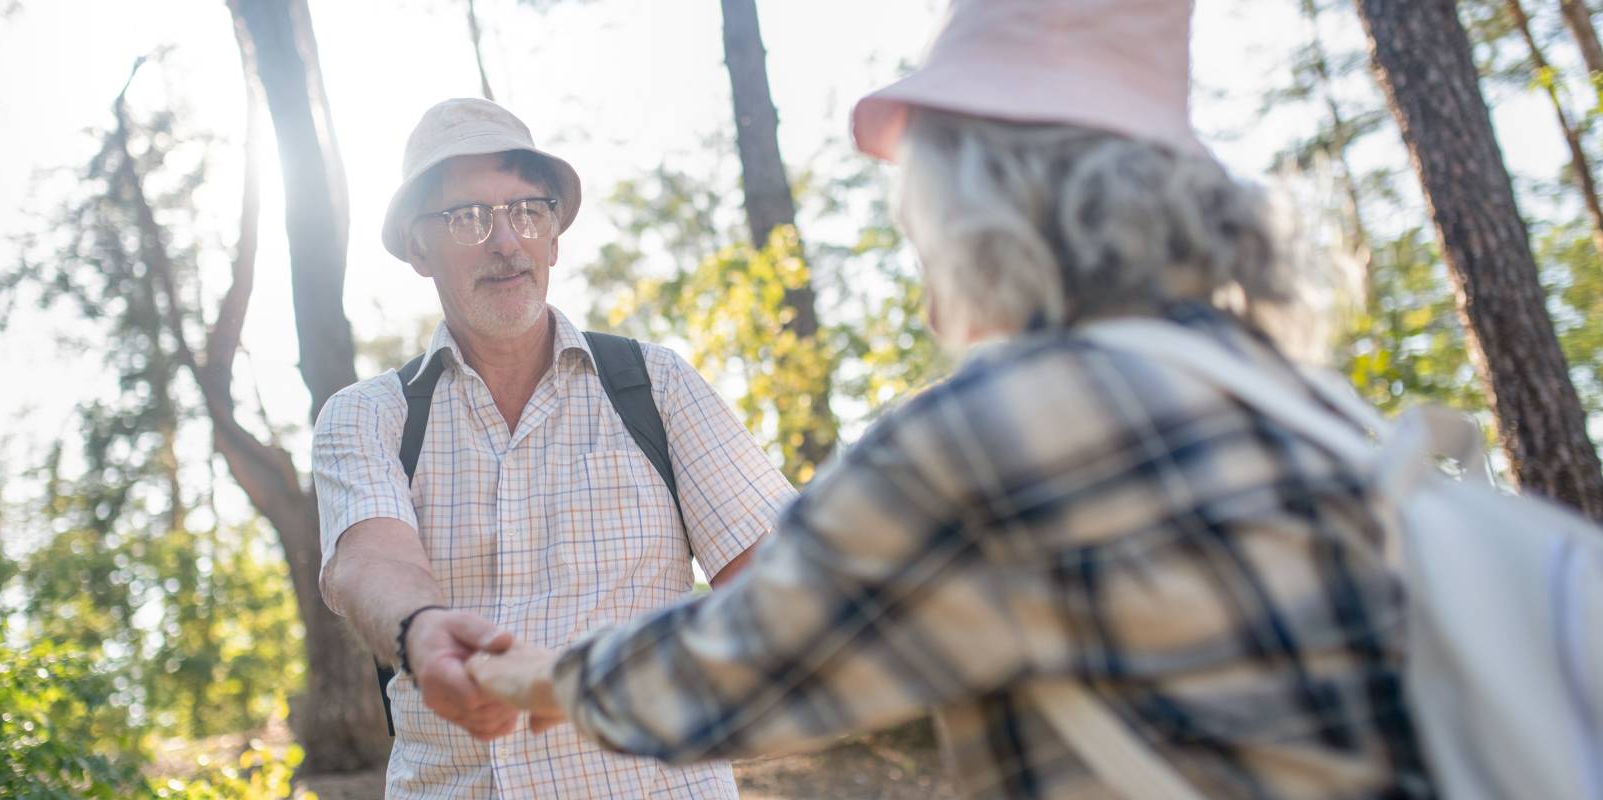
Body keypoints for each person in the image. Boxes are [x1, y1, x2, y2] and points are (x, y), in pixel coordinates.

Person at [466, 1, 1437, 797]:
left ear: (983, 189)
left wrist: (539, 681)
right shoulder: (1302, 405)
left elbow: (749, 656)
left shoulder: (999, 436)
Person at [311, 97, 795, 798]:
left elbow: (774, 580)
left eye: (527, 211)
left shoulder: (653, 386)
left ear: (554, 239)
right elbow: (371, 556)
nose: (506, 240)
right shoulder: (367, 416)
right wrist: (423, 631)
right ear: (419, 248)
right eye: (468, 217)